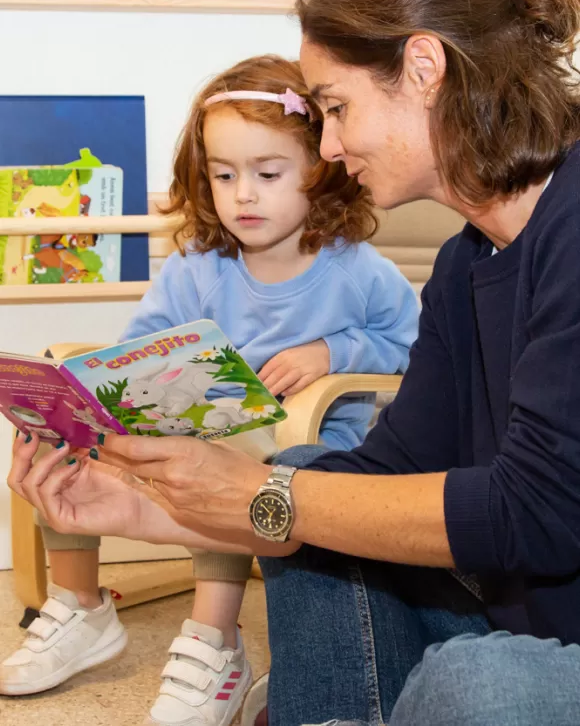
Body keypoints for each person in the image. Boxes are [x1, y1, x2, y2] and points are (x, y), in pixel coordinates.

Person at [9, 0, 580, 725]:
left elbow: (538, 514)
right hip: (517, 611)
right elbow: (385, 471)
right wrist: (147, 508)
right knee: (312, 467)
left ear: (423, 68)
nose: (333, 146)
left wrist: (259, 491)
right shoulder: (466, 264)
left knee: (474, 684)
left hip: (543, 640)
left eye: (337, 108)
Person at [2, 54, 418, 726]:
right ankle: (81, 608)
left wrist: (333, 350)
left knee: (225, 456)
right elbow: (140, 346)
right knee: (66, 433)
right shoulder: (197, 267)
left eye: (267, 173)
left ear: (323, 168)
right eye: (224, 175)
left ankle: (214, 640)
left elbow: (415, 348)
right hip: (198, 425)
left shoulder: (358, 272)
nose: (243, 195)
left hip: (307, 448)